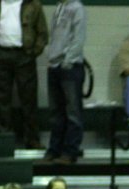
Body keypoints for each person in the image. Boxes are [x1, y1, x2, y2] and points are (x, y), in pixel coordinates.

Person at [0, 0, 46, 148]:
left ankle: (32, 139)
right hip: (0, 54)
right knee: (1, 99)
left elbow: (42, 33)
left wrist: (34, 52)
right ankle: (4, 138)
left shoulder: (33, 4)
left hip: (24, 55)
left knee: (29, 98)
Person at [44, 0, 85, 165]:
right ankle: (54, 149)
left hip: (70, 66)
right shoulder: (58, 7)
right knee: (56, 112)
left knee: (72, 111)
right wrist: (50, 58)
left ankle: (70, 151)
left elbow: (78, 38)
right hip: (54, 65)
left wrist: (68, 61)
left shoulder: (78, 8)